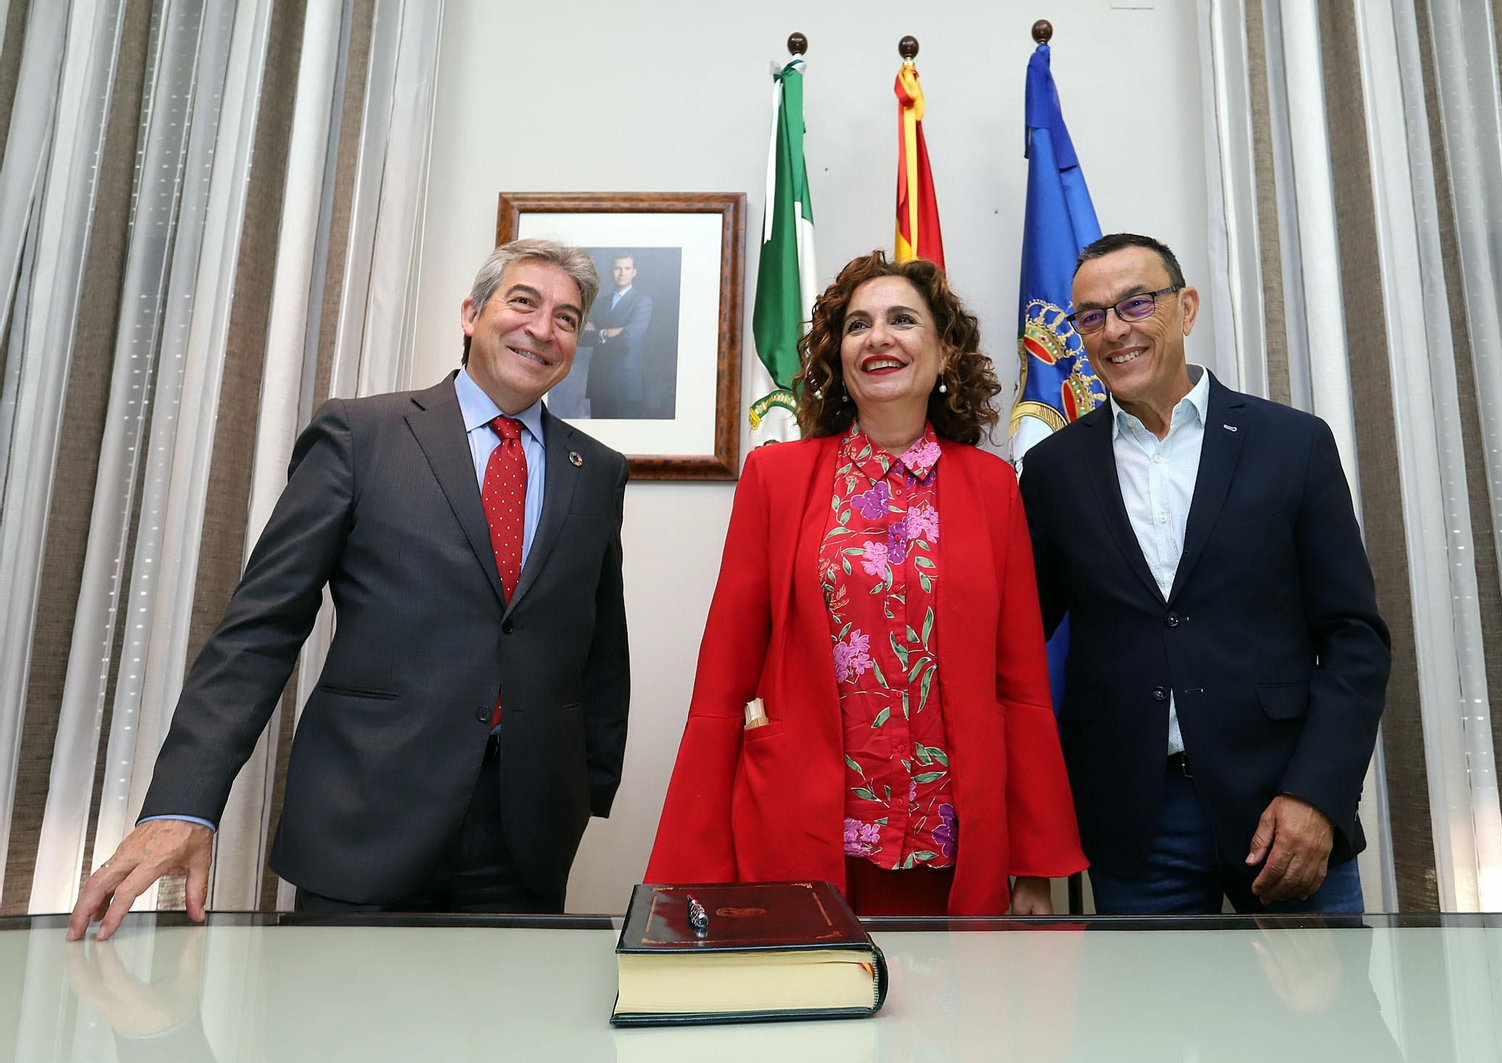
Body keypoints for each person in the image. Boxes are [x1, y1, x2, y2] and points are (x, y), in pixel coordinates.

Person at [68, 238, 630, 939]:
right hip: (366, 818)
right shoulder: (361, 435)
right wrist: (183, 803)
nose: (543, 329)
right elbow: (261, 628)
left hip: (523, 839)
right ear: (471, 312)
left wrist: (585, 788)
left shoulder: (596, 469)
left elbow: (603, 644)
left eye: (567, 318)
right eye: (524, 301)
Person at [647, 251, 1086, 915]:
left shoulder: (993, 487)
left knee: (958, 1019)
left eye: (902, 319)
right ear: (839, 362)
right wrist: (694, 861)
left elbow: (1019, 684)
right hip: (802, 832)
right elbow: (723, 682)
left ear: (943, 357)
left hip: (954, 843)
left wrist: (1035, 865)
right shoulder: (777, 478)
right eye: (858, 325)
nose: (878, 336)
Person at [1018, 233, 1390, 914]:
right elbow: (1015, 644)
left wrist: (1317, 795)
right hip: (1135, 824)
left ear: (1185, 307)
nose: (1114, 331)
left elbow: (1354, 638)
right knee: (1160, 1024)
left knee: (1324, 1019)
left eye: (1135, 304)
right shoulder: (1052, 471)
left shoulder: (1293, 444)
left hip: (1284, 807)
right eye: (1092, 316)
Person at [580, 253, 653, 418]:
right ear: (611, 271)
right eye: (618, 268)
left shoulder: (642, 302)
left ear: (634, 272)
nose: (622, 273)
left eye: (627, 268)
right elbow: (581, 337)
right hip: (599, 384)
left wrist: (597, 333)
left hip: (626, 386)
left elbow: (628, 339)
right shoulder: (599, 303)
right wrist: (606, 332)